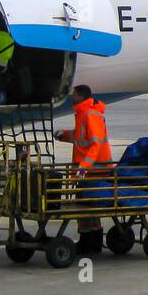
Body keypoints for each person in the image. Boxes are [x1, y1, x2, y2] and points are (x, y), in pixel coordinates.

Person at [55, 84, 112, 254]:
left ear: (81, 96)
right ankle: (90, 242)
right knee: (87, 207)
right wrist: (64, 135)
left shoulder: (90, 114)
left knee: (87, 206)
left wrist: (83, 167)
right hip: (89, 171)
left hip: (95, 171)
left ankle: (90, 242)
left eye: (74, 94)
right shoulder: (83, 113)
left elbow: (95, 144)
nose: (71, 96)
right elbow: (81, 137)